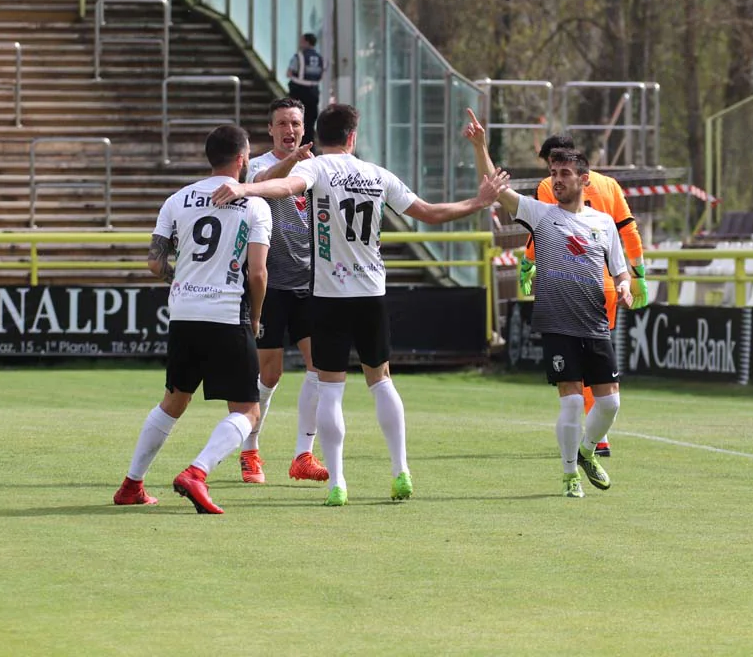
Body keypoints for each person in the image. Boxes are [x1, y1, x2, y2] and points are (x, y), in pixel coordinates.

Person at [211, 103, 509, 506]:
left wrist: (244, 187)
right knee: (382, 380)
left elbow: (281, 188)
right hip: (371, 293)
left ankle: (338, 481)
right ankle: (400, 470)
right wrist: (478, 202)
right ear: (353, 136)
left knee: (330, 388)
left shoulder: (315, 169)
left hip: (328, 295)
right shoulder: (377, 174)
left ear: (315, 133)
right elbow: (429, 213)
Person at [465, 117, 632, 499]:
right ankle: (569, 474)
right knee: (572, 400)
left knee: (609, 403)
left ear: (584, 180)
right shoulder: (541, 214)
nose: (557, 179)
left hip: (595, 323)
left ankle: (587, 450)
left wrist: (623, 287)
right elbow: (499, 190)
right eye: (554, 172)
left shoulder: (604, 224)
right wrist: (480, 148)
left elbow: (620, 272)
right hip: (558, 323)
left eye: (566, 173)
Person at [113, 125, 272, 514]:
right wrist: (255, 318)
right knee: (247, 412)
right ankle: (197, 473)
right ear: (241, 159)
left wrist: (184, 278)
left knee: (174, 401)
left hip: (184, 312)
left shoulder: (177, 200)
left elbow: (155, 263)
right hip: (225, 313)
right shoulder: (255, 205)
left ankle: (132, 484)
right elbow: (257, 273)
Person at [518, 132, 650, 457]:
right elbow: (628, 229)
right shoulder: (610, 185)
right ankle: (597, 437)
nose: (552, 173)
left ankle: (593, 441)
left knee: (575, 374)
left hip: (570, 283)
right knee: (598, 364)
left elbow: (546, 229)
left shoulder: (549, 187)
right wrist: (639, 274)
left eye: (553, 165)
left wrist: (528, 263)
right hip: (607, 285)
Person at [236, 97, 328, 485]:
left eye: (295, 123)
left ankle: (303, 455)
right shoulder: (258, 167)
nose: (289, 130)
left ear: (304, 128)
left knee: (320, 368)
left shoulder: (321, 167)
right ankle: (250, 449)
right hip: (271, 285)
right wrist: (291, 163)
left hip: (313, 283)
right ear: (270, 129)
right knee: (269, 375)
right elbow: (257, 188)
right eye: (281, 124)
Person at [286, 33, 324, 145]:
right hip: (314, 91)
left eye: (302, 41)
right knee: (310, 121)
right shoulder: (319, 58)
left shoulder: (299, 56)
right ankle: (310, 147)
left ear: (306, 42)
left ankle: (297, 146)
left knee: (296, 119)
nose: (300, 43)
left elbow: (289, 73)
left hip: (299, 90)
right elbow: (321, 75)